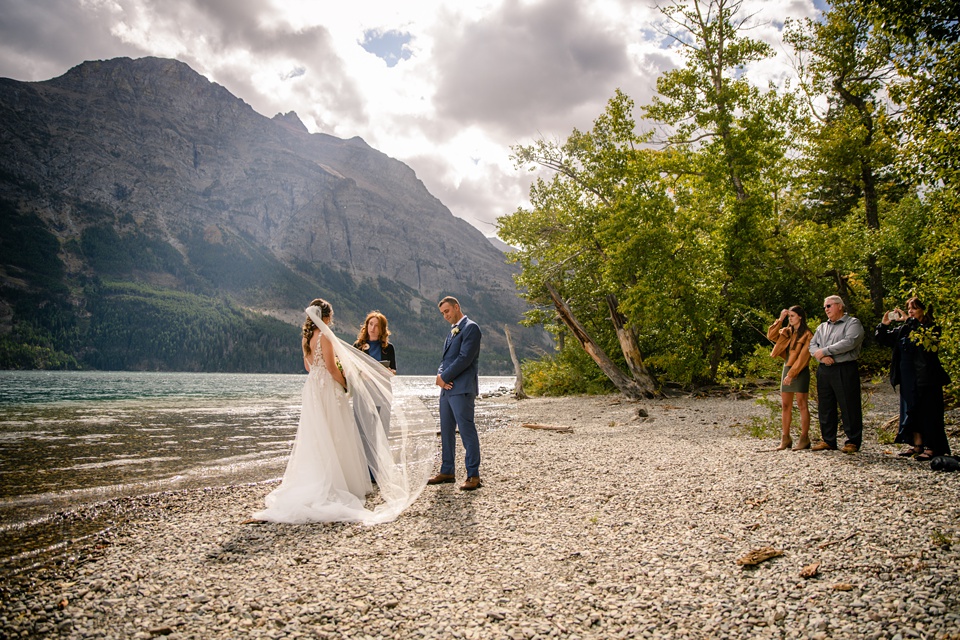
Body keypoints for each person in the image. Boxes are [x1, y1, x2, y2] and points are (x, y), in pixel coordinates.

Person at [250, 299, 431, 524]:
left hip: (313, 387)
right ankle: (339, 482)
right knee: (337, 431)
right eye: (331, 316)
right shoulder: (325, 336)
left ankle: (316, 478)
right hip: (328, 388)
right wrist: (345, 382)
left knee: (316, 434)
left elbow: (309, 367)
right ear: (326, 316)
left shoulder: (306, 337)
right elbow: (332, 368)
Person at [875, 297, 952, 461]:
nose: (910, 311)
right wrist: (884, 325)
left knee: (928, 411)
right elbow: (883, 339)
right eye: (909, 308)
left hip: (926, 377)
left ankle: (932, 447)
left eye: (914, 308)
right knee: (911, 410)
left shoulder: (931, 327)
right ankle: (917, 444)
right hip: (907, 377)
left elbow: (929, 345)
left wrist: (911, 322)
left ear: (922, 310)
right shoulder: (904, 329)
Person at [427, 296, 483, 491]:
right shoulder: (451, 333)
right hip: (446, 390)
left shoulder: (471, 328)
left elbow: (464, 358)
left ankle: (473, 475)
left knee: (467, 431)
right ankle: (447, 470)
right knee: (446, 431)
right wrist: (440, 375)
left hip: (462, 389)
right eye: (442, 313)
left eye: (447, 311)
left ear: (457, 307)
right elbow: (445, 359)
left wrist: (445, 376)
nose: (445, 316)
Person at [808, 295, 866, 453]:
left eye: (829, 306)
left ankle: (852, 441)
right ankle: (828, 440)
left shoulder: (852, 323)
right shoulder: (822, 327)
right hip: (825, 369)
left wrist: (825, 351)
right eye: (825, 307)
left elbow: (850, 342)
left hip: (844, 368)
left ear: (840, 306)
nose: (826, 309)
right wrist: (821, 356)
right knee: (825, 405)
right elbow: (812, 345)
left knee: (849, 404)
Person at [767, 306, 813, 450]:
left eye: (792, 316)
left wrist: (791, 374)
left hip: (800, 370)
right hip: (787, 368)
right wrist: (780, 319)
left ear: (800, 316)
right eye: (789, 316)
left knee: (802, 404)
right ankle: (785, 438)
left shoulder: (807, 334)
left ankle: (804, 438)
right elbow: (771, 335)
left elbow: (803, 358)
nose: (790, 318)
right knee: (785, 405)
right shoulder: (787, 331)